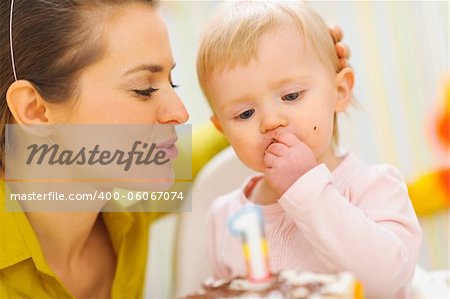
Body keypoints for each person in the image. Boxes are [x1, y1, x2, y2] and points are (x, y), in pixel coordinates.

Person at [0, 0, 349, 298]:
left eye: (172, 81)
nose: (180, 112)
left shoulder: (125, 201)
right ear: (35, 109)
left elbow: (218, 140)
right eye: (143, 89)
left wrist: (300, 80)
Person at [196, 2, 422, 299]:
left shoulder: (374, 187)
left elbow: (385, 282)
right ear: (223, 129)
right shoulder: (225, 216)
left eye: (291, 95)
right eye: (245, 114)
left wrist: (306, 187)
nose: (271, 121)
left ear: (339, 91)